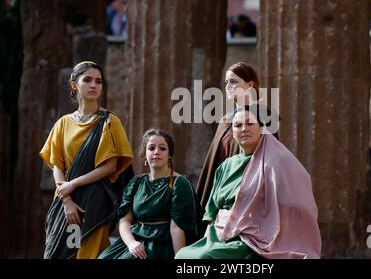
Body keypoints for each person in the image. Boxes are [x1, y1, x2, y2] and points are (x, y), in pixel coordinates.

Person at [175, 105, 321, 259]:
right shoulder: (226, 166)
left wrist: (256, 223)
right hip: (219, 234)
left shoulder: (279, 161)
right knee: (183, 256)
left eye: (250, 123)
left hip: (254, 240)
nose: (244, 129)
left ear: (261, 128)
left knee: (203, 258)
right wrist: (207, 241)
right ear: (232, 132)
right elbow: (212, 212)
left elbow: (297, 205)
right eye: (238, 125)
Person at [39, 61, 133, 259]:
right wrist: (66, 199)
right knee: (55, 253)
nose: (94, 85)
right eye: (87, 80)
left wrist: (72, 184)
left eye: (98, 81)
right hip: (66, 203)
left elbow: (110, 167)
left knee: (88, 254)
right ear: (74, 84)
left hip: (95, 202)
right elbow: (57, 165)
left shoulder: (109, 121)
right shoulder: (63, 123)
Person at [98, 129, 201, 259]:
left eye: (162, 148)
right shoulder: (136, 182)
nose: (156, 152)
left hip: (162, 243)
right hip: (135, 240)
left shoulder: (180, 183)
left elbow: (176, 228)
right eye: (151, 148)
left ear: (170, 154)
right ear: (144, 154)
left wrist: (179, 259)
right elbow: (124, 220)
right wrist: (131, 243)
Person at [196, 62, 278, 214]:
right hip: (222, 195)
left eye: (234, 81)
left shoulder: (264, 116)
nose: (228, 86)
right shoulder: (226, 120)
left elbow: (271, 160)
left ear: (250, 85)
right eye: (226, 82)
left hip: (250, 199)